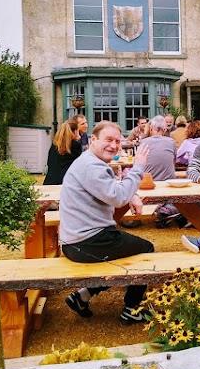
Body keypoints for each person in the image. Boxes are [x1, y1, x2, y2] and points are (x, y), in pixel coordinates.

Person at [59, 121, 154, 324]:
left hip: (75, 240)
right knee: (146, 250)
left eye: (117, 141)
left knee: (125, 252)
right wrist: (138, 167)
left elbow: (111, 190)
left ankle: (82, 296)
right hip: (85, 242)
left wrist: (132, 194)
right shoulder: (92, 166)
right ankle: (131, 309)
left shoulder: (88, 161)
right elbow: (118, 196)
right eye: (108, 140)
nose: (113, 145)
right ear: (93, 140)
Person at [43, 119, 82, 185]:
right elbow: (80, 166)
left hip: (49, 181)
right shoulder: (75, 145)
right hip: (66, 183)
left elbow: (49, 163)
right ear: (75, 131)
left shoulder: (54, 145)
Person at [141, 115, 176, 181]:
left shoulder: (144, 142)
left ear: (151, 129)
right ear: (165, 130)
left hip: (149, 182)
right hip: (168, 182)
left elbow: (138, 164)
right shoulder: (171, 142)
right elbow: (173, 162)